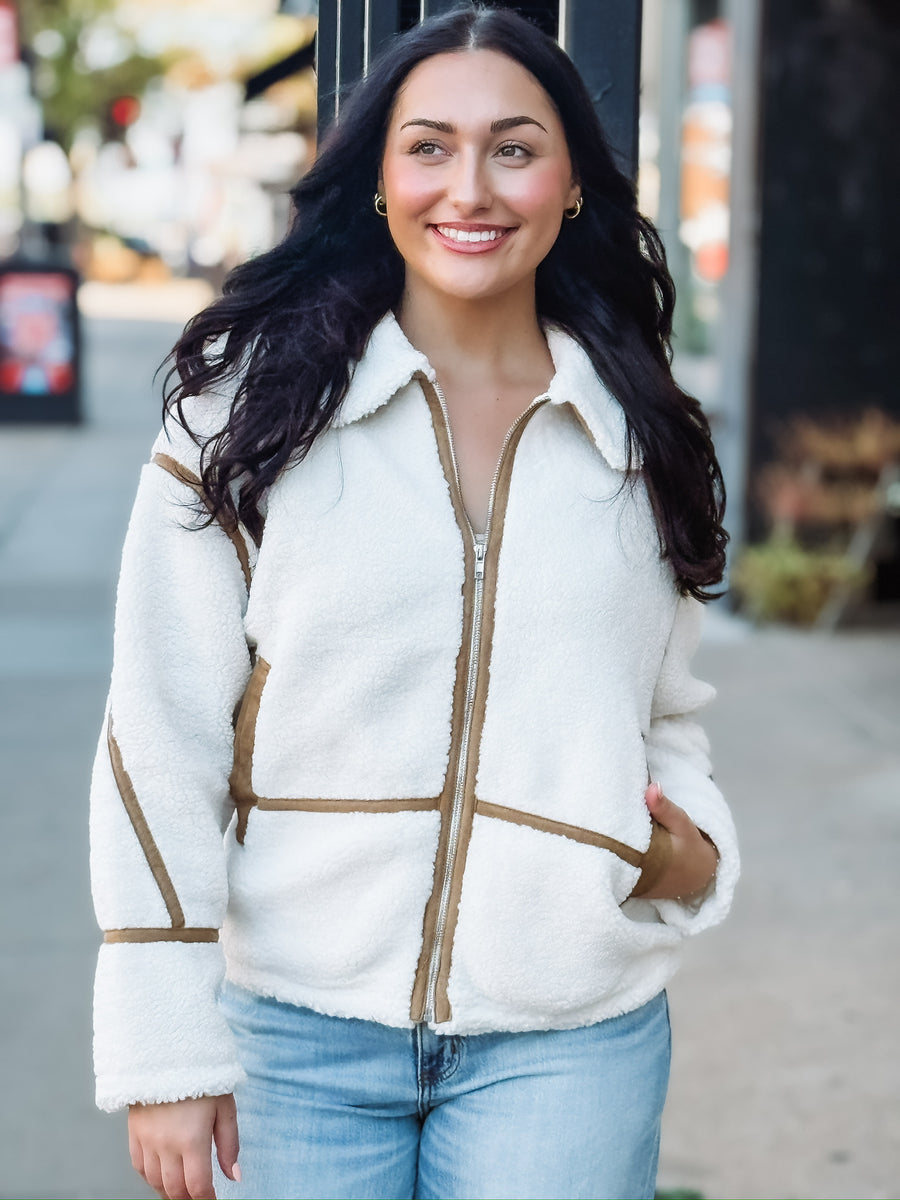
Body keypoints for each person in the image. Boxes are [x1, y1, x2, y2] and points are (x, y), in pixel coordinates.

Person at [89, 6, 739, 1199]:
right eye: (430, 146)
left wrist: (685, 855)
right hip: (297, 1032)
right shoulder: (250, 415)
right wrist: (163, 1042)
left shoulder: (640, 432)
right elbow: (159, 729)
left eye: (514, 148)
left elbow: (662, 711)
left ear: (572, 186)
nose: (470, 188)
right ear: (379, 181)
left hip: (568, 1041)